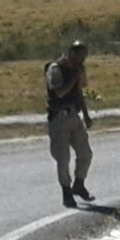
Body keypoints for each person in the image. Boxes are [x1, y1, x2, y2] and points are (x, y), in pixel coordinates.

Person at [45, 40, 95, 208]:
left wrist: (86, 114)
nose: (81, 61)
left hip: (74, 115)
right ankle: (66, 191)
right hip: (59, 118)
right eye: (79, 56)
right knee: (63, 158)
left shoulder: (77, 69)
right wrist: (74, 76)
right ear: (71, 53)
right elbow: (59, 92)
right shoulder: (56, 68)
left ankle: (79, 184)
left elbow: (79, 91)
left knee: (85, 153)